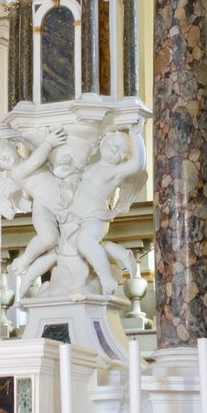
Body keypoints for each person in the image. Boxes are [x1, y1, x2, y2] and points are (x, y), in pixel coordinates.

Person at [0, 127, 68, 295]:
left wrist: (23, 139)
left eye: (4, 150)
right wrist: (49, 142)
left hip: (58, 197)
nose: (4, 157)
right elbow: (36, 159)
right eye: (0, 161)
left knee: (60, 246)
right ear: (0, 169)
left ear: (13, 146)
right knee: (49, 237)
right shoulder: (16, 172)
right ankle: (26, 259)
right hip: (42, 206)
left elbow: (36, 153)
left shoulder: (28, 158)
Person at [69, 119, 146, 294]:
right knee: (79, 249)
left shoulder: (115, 172)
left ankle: (107, 280)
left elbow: (138, 163)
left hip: (96, 217)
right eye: (111, 144)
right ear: (102, 143)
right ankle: (120, 253)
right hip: (80, 218)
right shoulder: (90, 167)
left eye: (119, 149)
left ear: (123, 157)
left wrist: (135, 136)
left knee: (85, 243)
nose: (113, 149)